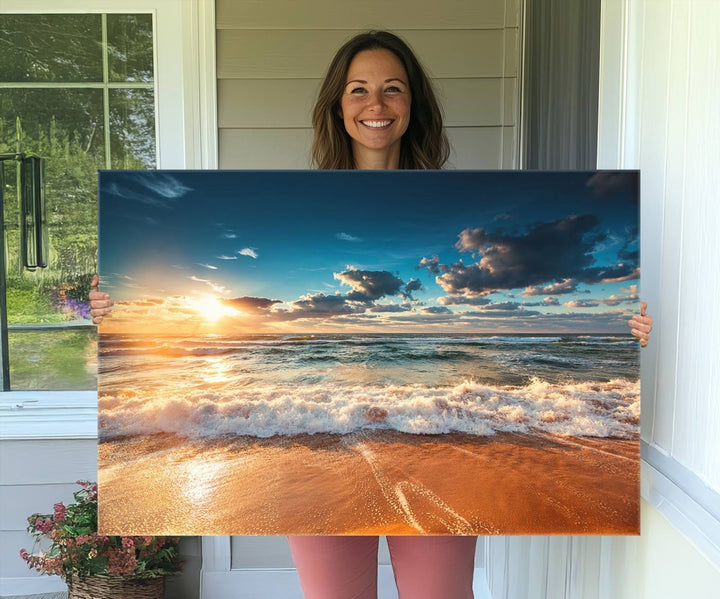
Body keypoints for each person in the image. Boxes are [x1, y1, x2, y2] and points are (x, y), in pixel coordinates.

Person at [89, 30, 653, 599]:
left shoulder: (459, 199)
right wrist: (112, 311)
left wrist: (628, 326)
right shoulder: (297, 202)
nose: (376, 105)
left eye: (393, 89)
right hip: (323, 443)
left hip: (435, 444)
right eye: (358, 90)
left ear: (413, 105)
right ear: (338, 105)